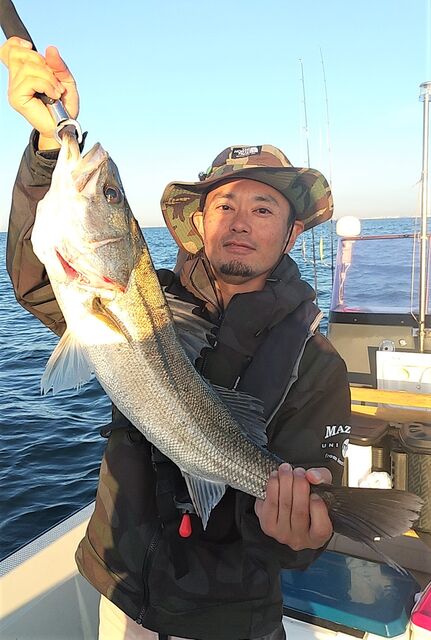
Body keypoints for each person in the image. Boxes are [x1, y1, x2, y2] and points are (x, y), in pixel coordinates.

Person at [1, 38, 351, 640]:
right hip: (121, 590)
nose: (240, 221)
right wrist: (49, 144)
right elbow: (35, 280)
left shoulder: (316, 363)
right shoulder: (149, 298)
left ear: (291, 233)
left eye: (263, 209)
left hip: (229, 616)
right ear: (200, 222)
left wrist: (304, 533)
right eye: (225, 205)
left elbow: (303, 527)